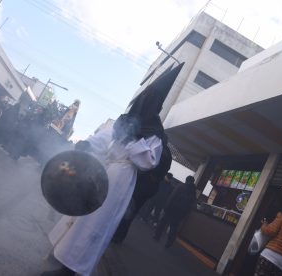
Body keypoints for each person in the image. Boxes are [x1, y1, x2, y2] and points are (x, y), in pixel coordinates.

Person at [42, 63, 184, 276]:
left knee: (93, 224)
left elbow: (148, 161)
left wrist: (131, 142)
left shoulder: (154, 133)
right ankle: (62, 254)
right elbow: (105, 138)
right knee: (81, 215)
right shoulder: (125, 120)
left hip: (120, 180)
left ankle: (70, 269)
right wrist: (88, 144)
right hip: (102, 171)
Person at [154, 175, 196, 248]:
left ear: (186, 180)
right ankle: (169, 243)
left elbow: (172, 196)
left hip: (172, 208)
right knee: (173, 228)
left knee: (163, 222)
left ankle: (157, 236)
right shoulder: (193, 192)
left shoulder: (181, 187)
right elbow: (192, 205)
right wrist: (185, 215)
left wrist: (166, 206)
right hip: (181, 213)